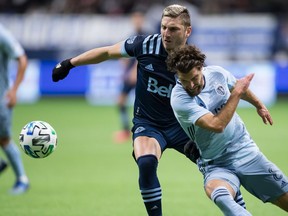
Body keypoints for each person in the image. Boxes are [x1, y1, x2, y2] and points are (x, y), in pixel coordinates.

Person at [52, 5, 246, 215]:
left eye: (173, 29)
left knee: (219, 167)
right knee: (146, 162)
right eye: (163, 27)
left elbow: (209, 98)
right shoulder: (144, 45)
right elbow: (107, 52)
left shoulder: (193, 63)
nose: (166, 33)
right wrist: (69, 63)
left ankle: (240, 209)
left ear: (187, 31)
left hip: (184, 126)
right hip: (149, 123)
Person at [167, 44, 288, 215]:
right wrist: (237, 93)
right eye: (184, 80)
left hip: (245, 150)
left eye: (194, 78)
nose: (191, 85)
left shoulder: (217, 73)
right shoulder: (179, 99)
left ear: (201, 68)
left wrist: (259, 105)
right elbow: (217, 125)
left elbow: (238, 86)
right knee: (219, 195)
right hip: (215, 162)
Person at [0, 23, 30, 194]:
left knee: (3, 139)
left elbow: (22, 59)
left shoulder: (2, 34)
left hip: (1, 98)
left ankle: (22, 180)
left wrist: (14, 90)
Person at [113, 10, 146, 143]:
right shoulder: (131, 35)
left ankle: (142, 130)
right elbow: (126, 53)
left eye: (138, 19)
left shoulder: (145, 35)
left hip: (140, 75)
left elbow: (142, 56)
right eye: (134, 19)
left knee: (143, 104)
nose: (136, 21)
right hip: (130, 75)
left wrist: (134, 72)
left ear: (142, 20)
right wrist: (124, 68)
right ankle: (126, 130)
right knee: (120, 101)